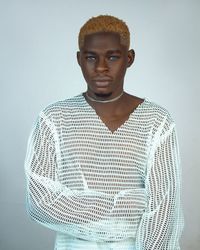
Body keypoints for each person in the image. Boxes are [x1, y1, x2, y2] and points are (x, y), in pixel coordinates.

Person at [24, 15, 184, 250]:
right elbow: (41, 203)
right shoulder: (53, 119)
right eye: (91, 57)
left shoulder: (156, 121)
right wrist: (129, 204)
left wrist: (79, 207)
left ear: (129, 58)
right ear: (79, 59)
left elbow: (163, 210)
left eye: (112, 57)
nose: (100, 67)